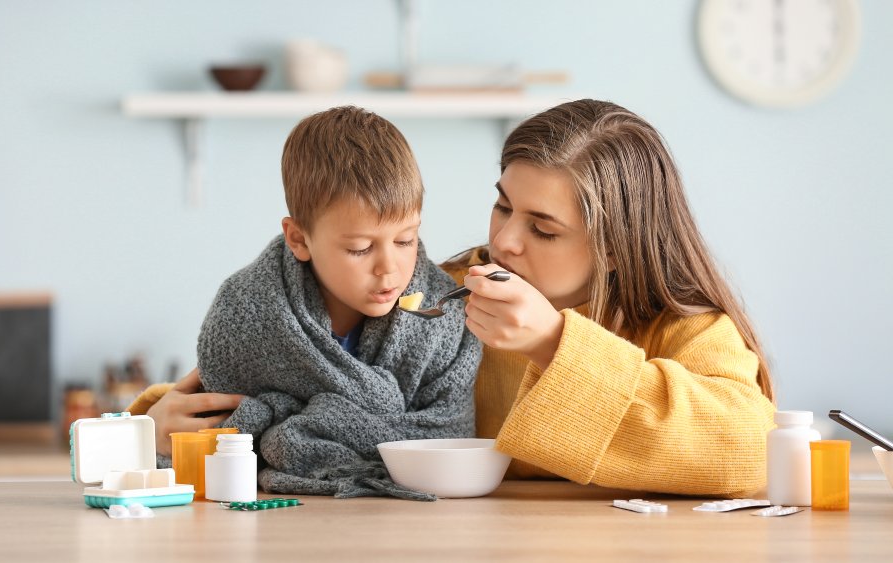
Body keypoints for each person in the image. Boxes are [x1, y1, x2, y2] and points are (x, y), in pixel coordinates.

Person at [136, 99, 775, 497]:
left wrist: (554, 344)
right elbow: (281, 372)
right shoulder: (428, 297)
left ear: (615, 245)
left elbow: (749, 447)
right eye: (503, 205)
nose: (503, 240)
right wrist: (153, 426)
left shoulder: (681, 327)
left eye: (543, 228)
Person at [130, 106, 481, 500]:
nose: (389, 268)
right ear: (298, 239)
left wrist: (314, 423)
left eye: (406, 240)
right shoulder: (245, 316)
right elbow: (206, 440)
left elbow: (450, 437)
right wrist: (152, 439)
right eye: (360, 248)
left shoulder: (443, 313)